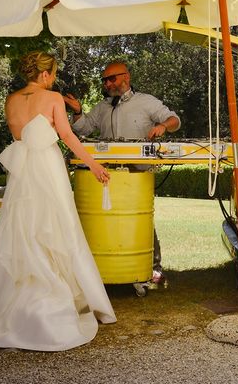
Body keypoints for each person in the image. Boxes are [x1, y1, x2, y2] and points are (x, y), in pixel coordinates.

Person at [0, 51, 116, 352]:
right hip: (47, 169)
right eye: (54, 74)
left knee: (19, 229)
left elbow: (19, 137)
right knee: (58, 226)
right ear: (46, 74)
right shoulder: (53, 98)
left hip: (21, 171)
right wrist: (94, 165)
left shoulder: (10, 100)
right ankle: (56, 303)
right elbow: (68, 137)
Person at [63, 60, 180, 285]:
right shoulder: (103, 106)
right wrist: (78, 111)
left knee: (140, 219)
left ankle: (153, 268)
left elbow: (174, 119)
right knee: (110, 219)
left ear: (126, 77)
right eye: (104, 80)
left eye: (111, 79)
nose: (107, 84)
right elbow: (84, 128)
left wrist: (163, 126)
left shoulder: (146, 101)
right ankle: (109, 264)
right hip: (108, 174)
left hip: (137, 174)